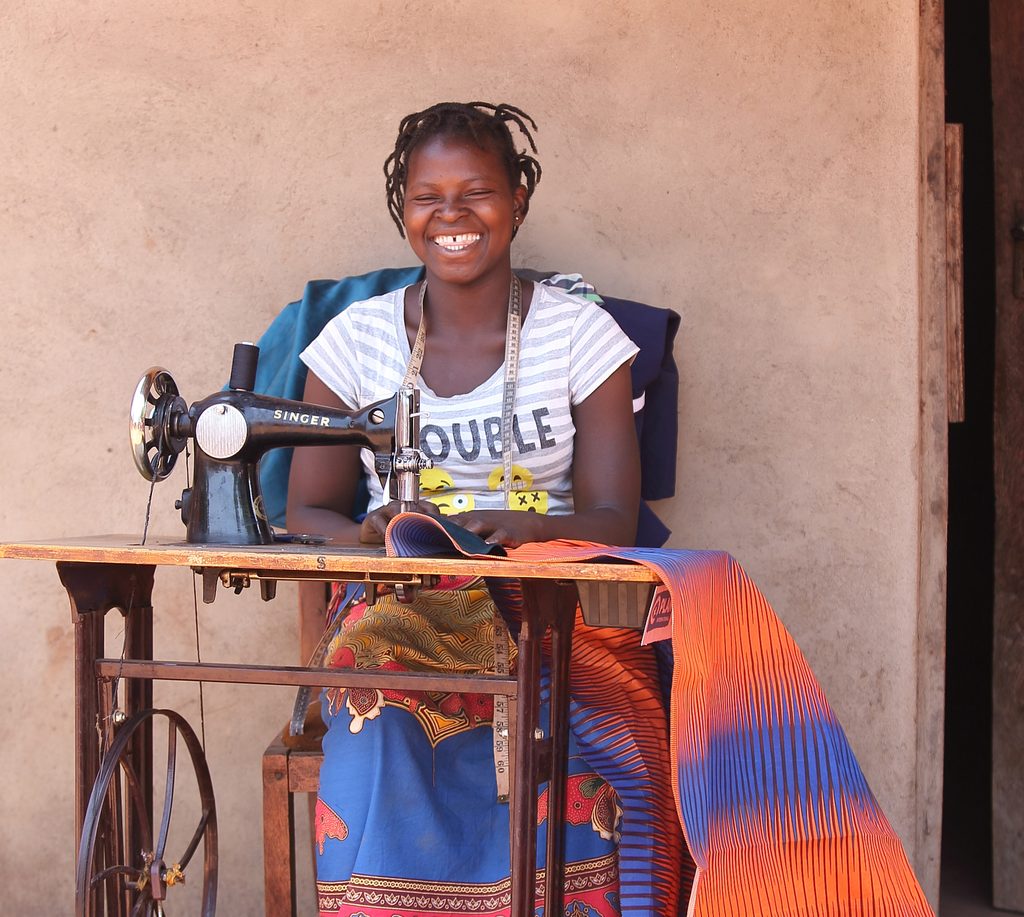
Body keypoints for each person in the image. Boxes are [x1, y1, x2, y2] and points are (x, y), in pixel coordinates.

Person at [286, 102, 676, 917]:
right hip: (401, 606)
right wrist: (368, 537)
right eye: (429, 196)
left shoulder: (580, 336)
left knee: (595, 720)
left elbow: (614, 515)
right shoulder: (354, 342)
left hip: (547, 603)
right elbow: (309, 512)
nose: (452, 215)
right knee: (376, 697)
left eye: (478, 192)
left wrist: (534, 532)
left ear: (519, 199)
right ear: (403, 212)